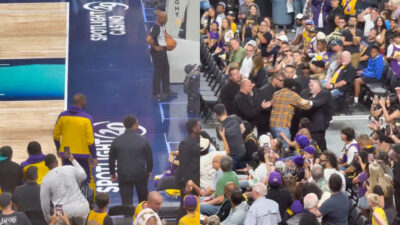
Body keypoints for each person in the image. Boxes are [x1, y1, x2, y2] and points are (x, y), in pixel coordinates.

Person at [53, 93, 97, 193]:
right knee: (87, 180)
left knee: (68, 179)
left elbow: (56, 135)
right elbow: (90, 141)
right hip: (83, 154)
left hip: (67, 153)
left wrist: (59, 149)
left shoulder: (62, 116)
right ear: (83, 102)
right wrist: (94, 156)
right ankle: (90, 202)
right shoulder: (87, 118)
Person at [109, 115, 153, 205]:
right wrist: (149, 171)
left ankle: (128, 218)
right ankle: (144, 217)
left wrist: (112, 173)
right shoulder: (143, 140)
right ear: (135, 125)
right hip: (140, 174)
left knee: (126, 203)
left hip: (124, 175)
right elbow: (149, 158)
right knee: (143, 202)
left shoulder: (117, 140)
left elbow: (111, 158)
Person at [40, 154, 90, 225]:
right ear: (57, 161)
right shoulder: (69, 168)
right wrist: (73, 161)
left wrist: (49, 220)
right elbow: (83, 176)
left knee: (57, 216)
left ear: (46, 166)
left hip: (60, 209)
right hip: (80, 205)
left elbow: (45, 204)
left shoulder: (45, 180)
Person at [270, 79, 312, 148]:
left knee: (275, 146)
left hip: (273, 125)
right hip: (282, 125)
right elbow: (305, 105)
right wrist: (311, 102)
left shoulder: (276, 93)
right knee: (284, 147)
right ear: (293, 87)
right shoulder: (292, 95)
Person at [147, 11, 177, 101]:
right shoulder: (156, 28)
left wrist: (170, 38)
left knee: (166, 70)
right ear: (160, 18)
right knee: (158, 72)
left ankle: (166, 90)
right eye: (165, 18)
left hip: (163, 51)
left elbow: (164, 33)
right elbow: (148, 39)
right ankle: (155, 93)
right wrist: (155, 47)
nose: (167, 19)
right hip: (157, 53)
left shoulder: (162, 26)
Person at [302, 79, 332, 151]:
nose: (310, 87)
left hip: (318, 125)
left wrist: (306, 102)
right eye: (309, 85)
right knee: (320, 143)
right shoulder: (308, 94)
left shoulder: (325, 94)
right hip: (309, 124)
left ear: (318, 86)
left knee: (317, 144)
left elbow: (318, 103)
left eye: (312, 85)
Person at [213, 104, 246, 169]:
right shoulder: (235, 117)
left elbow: (223, 141)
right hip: (242, 150)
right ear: (225, 111)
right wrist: (237, 135)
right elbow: (243, 129)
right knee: (243, 171)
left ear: (215, 114)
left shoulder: (219, 128)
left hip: (231, 154)